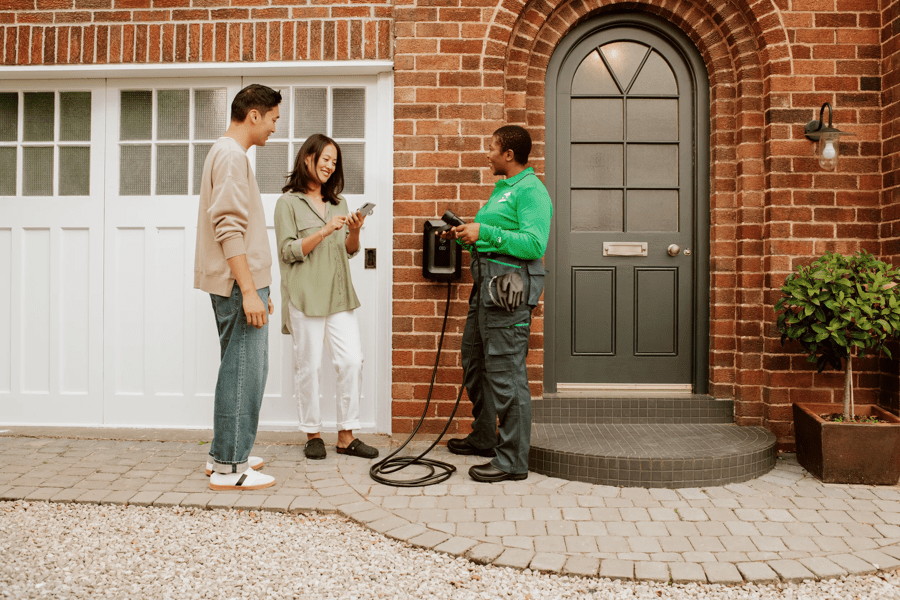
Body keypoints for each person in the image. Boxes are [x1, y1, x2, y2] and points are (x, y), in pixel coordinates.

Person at [442, 125, 553, 483]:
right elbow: (493, 240)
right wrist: (466, 237)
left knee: (507, 374)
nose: (487, 154)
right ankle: (485, 436)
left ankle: (512, 460)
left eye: (492, 148)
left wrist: (484, 232)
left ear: (509, 154)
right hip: (486, 290)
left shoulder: (532, 191)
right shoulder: (502, 191)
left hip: (509, 294)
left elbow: (534, 244)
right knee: (474, 361)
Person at [194, 84, 281, 491]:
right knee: (245, 373)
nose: (275, 128)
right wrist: (249, 290)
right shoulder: (230, 156)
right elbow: (228, 225)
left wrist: (259, 286)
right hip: (236, 284)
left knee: (237, 368)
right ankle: (232, 466)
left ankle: (221, 453)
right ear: (254, 115)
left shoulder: (226, 153)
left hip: (240, 282)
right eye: (274, 119)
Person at [274, 133, 379, 461]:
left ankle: (347, 436)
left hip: (338, 293)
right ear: (308, 159)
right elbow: (287, 251)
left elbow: (348, 251)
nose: (331, 167)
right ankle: (313, 434)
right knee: (309, 367)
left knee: (350, 361)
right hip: (304, 294)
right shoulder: (287, 203)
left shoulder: (340, 203)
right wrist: (322, 231)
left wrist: (355, 231)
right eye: (325, 160)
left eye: (335, 163)